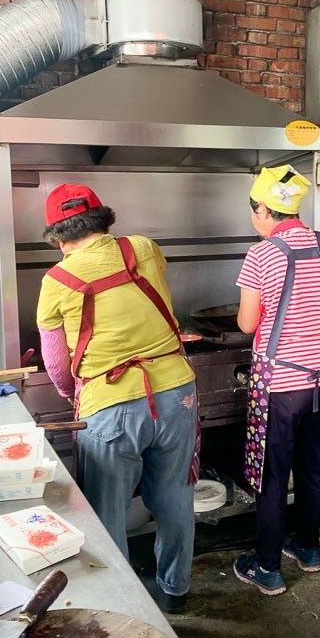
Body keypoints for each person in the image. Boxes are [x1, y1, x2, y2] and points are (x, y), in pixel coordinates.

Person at [36, 183, 198, 614]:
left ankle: (123, 609)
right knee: (175, 496)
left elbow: (56, 363)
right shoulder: (143, 247)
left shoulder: (56, 281)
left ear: (57, 236)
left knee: (106, 513)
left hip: (108, 405)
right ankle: (175, 591)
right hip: (176, 391)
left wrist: (76, 394)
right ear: (104, 219)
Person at [232, 165, 320, 595]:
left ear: (265, 209)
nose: (254, 219)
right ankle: (307, 548)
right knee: (315, 467)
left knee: (271, 475)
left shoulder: (260, 254)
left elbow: (247, 324)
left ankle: (267, 568)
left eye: (254, 212)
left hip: (283, 383)